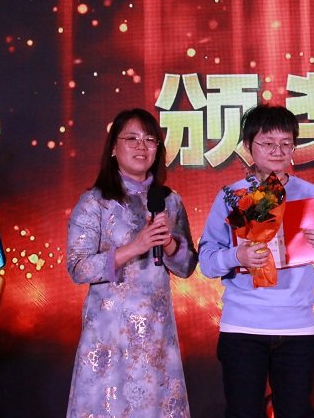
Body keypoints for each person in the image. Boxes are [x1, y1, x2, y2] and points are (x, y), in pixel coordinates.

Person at [199, 104, 314, 418]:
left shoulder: (309, 193)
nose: (277, 151)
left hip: (297, 327)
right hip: (242, 326)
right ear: (248, 146)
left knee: (296, 412)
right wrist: (237, 255)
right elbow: (208, 261)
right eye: (267, 143)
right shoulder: (232, 196)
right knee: (243, 412)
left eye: (285, 143)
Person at [66, 107, 197, 418]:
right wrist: (133, 248)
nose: (142, 146)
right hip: (109, 335)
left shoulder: (169, 201)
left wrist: (168, 243)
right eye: (132, 139)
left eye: (150, 140)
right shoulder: (95, 201)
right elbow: (78, 268)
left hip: (157, 334)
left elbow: (187, 266)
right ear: (114, 148)